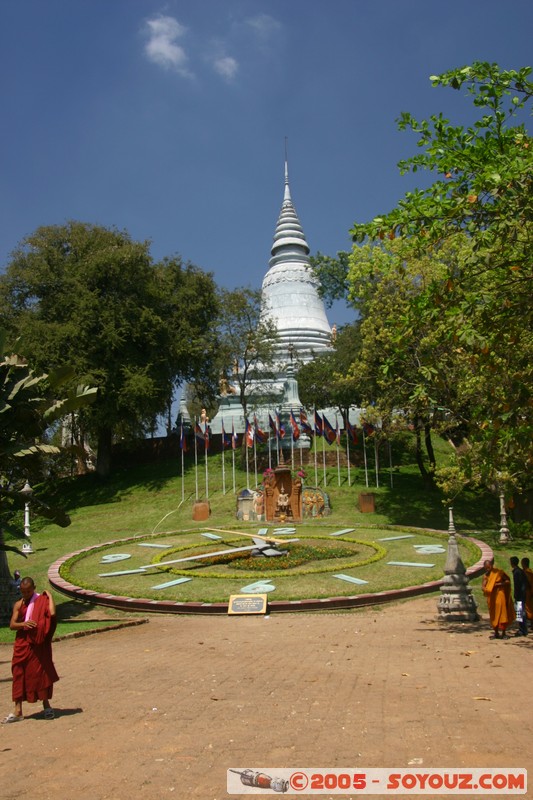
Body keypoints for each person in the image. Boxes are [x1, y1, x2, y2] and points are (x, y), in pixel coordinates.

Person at [2, 577, 59, 723]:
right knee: (18, 672)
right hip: (23, 643)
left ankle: (46, 705)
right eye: (23, 591)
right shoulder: (18, 604)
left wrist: (50, 596)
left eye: (28, 591)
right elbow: (12, 625)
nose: (26, 594)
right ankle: (18, 710)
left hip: (37, 645)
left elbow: (52, 614)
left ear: (34, 588)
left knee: (41, 672)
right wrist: (24, 624)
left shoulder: (41, 600)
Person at [481, 559, 515, 639]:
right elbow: (483, 586)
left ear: (492, 565)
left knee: (502, 614)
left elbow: (507, 581)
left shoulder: (498, 573)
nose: (488, 569)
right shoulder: (485, 576)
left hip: (500, 595)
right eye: (486, 568)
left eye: (489, 567)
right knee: (493, 615)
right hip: (492, 598)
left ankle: (503, 633)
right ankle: (496, 633)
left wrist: (498, 584)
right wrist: (484, 588)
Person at [509, 556, 529, 636]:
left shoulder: (517, 572)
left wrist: (517, 594)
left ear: (512, 563)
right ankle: (523, 629)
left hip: (520, 595)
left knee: (520, 613)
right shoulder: (519, 571)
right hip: (521, 594)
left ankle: (522, 629)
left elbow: (518, 585)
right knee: (520, 612)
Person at [521, 557, 533, 630]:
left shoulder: (528, 572)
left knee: (529, 608)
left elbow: (530, 583)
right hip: (524, 592)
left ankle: (531, 623)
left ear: (524, 564)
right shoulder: (525, 571)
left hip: (528, 592)